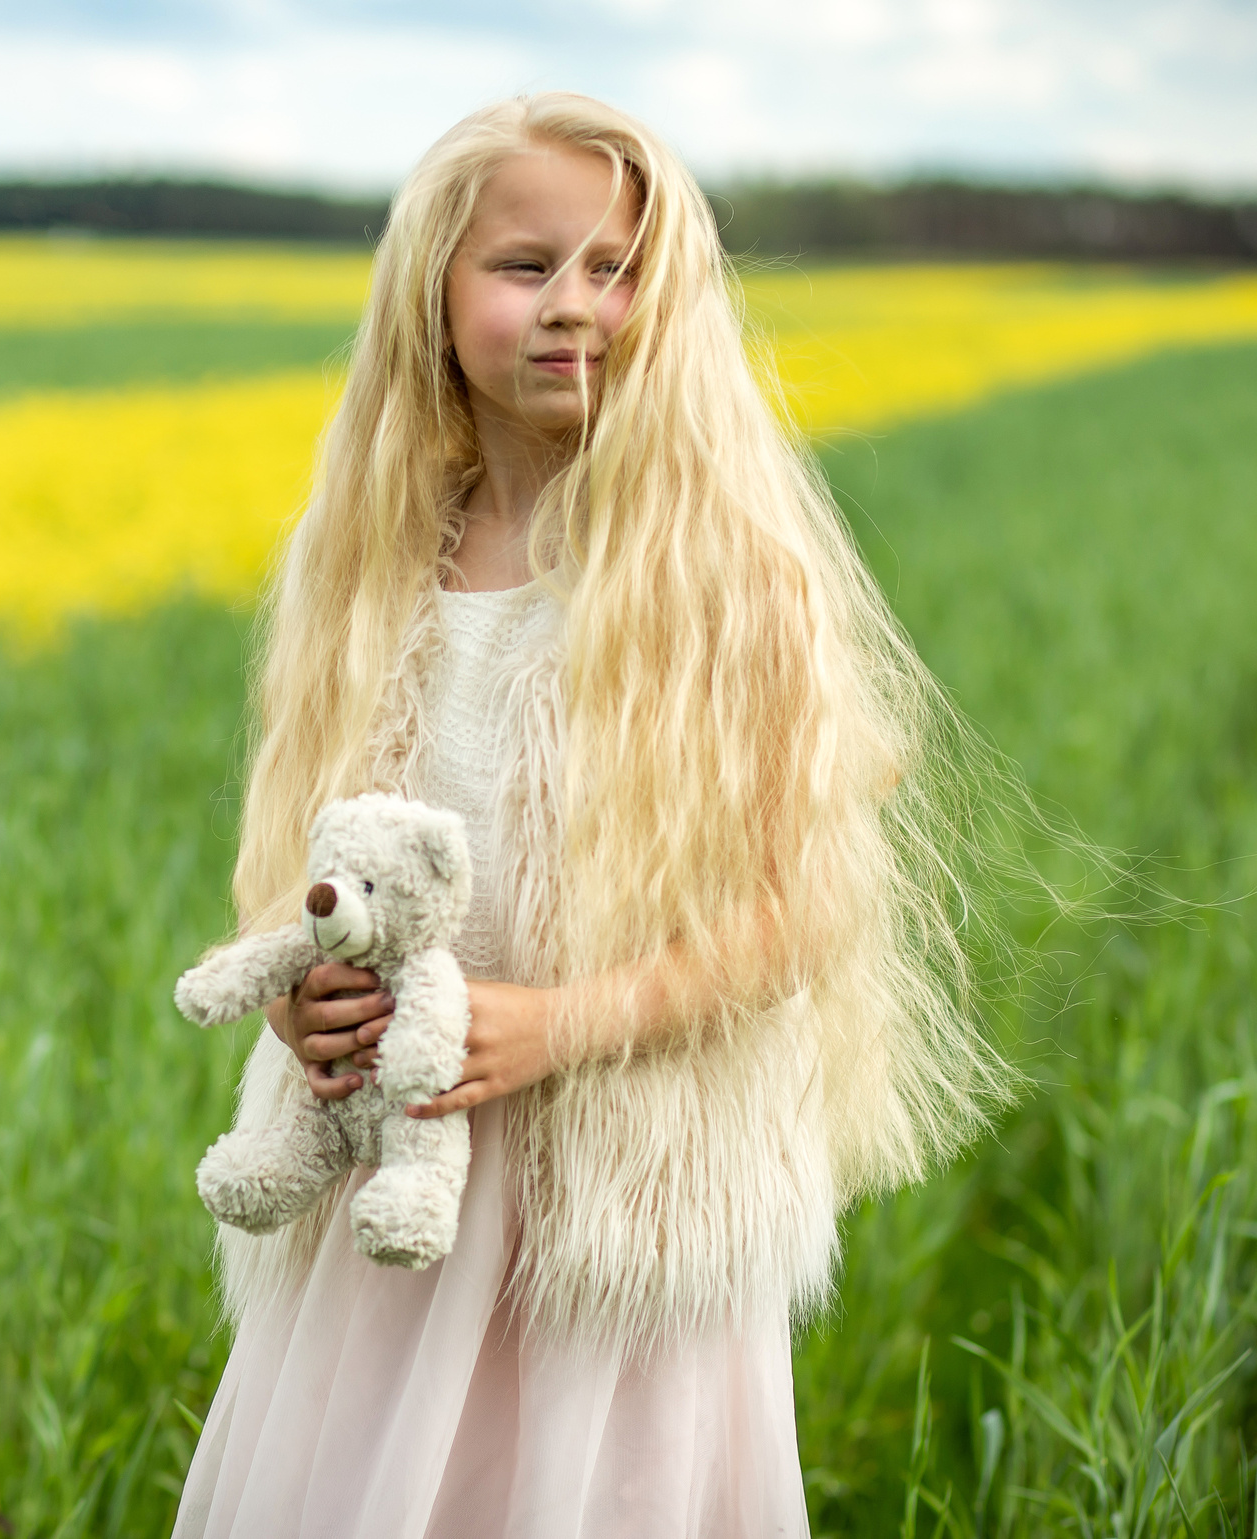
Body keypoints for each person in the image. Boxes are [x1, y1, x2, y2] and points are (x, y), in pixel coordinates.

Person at [173, 93, 1012, 1538]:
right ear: (432, 293)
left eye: (617, 270)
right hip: (396, 1174)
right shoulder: (364, 568)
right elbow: (323, 875)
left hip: (621, 1181)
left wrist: (561, 1026)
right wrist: (297, 1007)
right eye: (524, 267)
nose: (577, 308)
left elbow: (807, 904)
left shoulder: (722, 576)